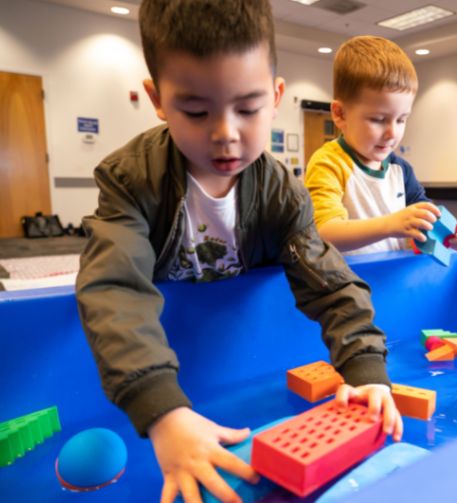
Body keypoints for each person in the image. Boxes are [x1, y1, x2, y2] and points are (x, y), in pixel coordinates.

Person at [75, 2, 401, 502]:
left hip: (249, 344)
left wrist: (366, 371)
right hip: (175, 355)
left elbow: (330, 283)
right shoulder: (130, 180)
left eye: (247, 109)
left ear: (275, 98)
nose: (225, 132)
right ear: (158, 99)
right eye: (196, 110)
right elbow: (115, 289)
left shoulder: (280, 193)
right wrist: (162, 411)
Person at [305, 35, 457, 256]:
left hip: (394, 278)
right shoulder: (328, 163)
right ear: (340, 114)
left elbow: (429, 219)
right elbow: (324, 232)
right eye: (378, 119)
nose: (392, 133)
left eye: (401, 120)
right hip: (349, 284)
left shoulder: (400, 169)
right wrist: (390, 225)